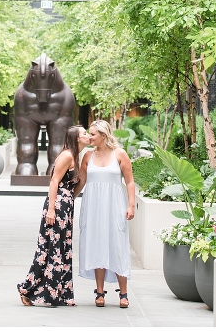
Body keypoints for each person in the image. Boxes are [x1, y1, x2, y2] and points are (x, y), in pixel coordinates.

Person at [18, 126, 91, 306]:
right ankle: (27, 289)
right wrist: (51, 209)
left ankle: (61, 294)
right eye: (84, 134)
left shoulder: (76, 156)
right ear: (76, 138)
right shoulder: (67, 155)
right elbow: (54, 181)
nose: (88, 135)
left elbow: (77, 184)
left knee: (62, 249)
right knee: (49, 249)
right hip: (56, 206)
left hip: (66, 206)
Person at [75, 119, 135, 308]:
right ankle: (99, 292)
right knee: (97, 245)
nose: (89, 137)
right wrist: (67, 200)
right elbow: (82, 182)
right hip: (92, 207)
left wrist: (131, 205)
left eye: (92, 134)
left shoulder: (120, 154)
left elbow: (130, 182)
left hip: (114, 206)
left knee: (117, 245)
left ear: (103, 135)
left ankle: (123, 294)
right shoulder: (87, 156)